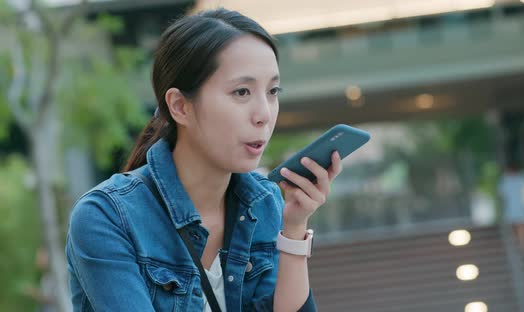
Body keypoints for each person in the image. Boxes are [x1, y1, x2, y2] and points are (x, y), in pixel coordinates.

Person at [65, 8, 343, 312]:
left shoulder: (265, 203)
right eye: (241, 92)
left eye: (273, 91)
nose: (264, 114)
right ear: (180, 106)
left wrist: (294, 228)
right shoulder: (106, 218)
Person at [498, 160, 524, 253]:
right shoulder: (521, 177)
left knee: (521, 225)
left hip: (519, 206)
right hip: (519, 206)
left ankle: (523, 243)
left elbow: (502, 193)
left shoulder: (508, 179)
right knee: (521, 225)